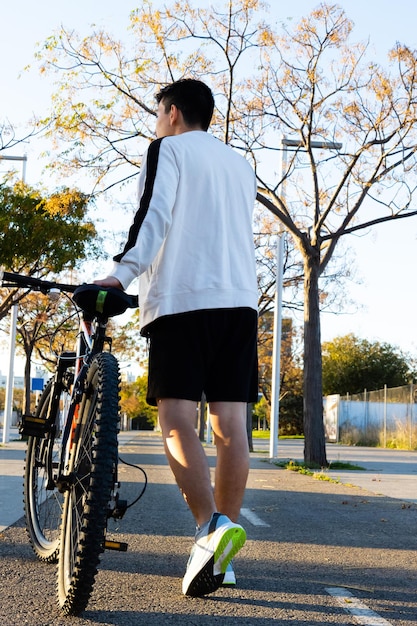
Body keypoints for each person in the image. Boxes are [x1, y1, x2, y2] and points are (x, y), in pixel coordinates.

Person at [95, 78, 258, 597]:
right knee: (231, 424)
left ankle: (210, 530)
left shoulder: (166, 149)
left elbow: (154, 216)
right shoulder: (240, 164)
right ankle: (221, 552)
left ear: (172, 112)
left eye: (157, 112)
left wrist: (120, 276)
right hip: (240, 301)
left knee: (175, 419)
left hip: (185, 300)